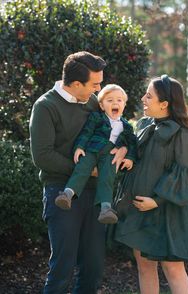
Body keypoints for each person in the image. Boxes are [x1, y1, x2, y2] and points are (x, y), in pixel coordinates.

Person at [29, 51, 127, 294]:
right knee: (62, 267)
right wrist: (86, 171)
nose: (99, 89)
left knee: (93, 269)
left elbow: (116, 130)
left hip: (94, 196)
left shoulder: (94, 102)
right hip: (62, 192)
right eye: (95, 84)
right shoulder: (45, 106)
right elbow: (42, 156)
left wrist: (124, 148)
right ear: (75, 84)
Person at [114, 75, 188, 294]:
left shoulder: (183, 134)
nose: (143, 99)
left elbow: (186, 177)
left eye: (149, 96)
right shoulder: (144, 125)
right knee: (144, 265)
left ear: (165, 104)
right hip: (139, 208)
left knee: (173, 268)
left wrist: (157, 201)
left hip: (168, 210)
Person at [55, 84, 137, 224]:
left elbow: (132, 145)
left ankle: (106, 209)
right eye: (110, 100)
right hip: (93, 149)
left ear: (124, 104)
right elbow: (86, 132)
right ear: (102, 105)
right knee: (82, 168)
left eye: (119, 100)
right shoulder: (96, 117)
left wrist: (129, 158)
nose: (115, 103)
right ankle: (67, 194)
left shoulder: (127, 127)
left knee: (107, 178)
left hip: (110, 155)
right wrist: (79, 147)